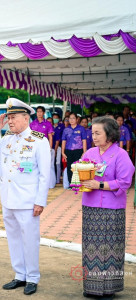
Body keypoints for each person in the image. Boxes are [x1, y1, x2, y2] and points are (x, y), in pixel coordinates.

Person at [0, 98, 50, 296]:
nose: (10, 121)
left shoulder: (39, 140)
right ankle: (19, 274)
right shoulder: (6, 139)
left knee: (30, 240)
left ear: (25, 118)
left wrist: (40, 201)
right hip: (9, 199)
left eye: (13, 118)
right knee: (13, 239)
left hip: (28, 201)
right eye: (9, 118)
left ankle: (32, 277)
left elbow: (44, 175)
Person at [81, 117, 134, 299]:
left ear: (109, 134)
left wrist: (100, 185)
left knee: (110, 247)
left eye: (97, 133)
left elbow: (125, 181)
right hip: (90, 206)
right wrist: (78, 180)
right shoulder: (89, 153)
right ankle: (91, 287)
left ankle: (109, 289)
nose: (93, 136)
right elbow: (80, 174)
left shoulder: (121, 155)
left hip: (112, 208)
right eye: (92, 133)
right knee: (91, 247)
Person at [30, 106, 55, 188]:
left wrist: (50, 148)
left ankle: (49, 184)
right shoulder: (32, 124)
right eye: (38, 112)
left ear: (44, 113)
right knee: (35, 166)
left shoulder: (48, 124)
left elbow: (50, 136)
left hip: (45, 149)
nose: (39, 113)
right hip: (34, 148)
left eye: (41, 111)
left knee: (46, 166)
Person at [61, 112, 87, 184]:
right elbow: (63, 141)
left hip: (78, 150)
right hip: (68, 151)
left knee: (78, 167)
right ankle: (71, 183)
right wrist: (62, 152)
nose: (71, 120)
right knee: (70, 167)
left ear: (77, 119)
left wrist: (84, 152)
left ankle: (78, 183)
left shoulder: (81, 129)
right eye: (70, 118)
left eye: (73, 118)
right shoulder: (66, 129)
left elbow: (84, 140)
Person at [52, 113, 65, 184]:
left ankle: (57, 179)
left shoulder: (61, 126)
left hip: (59, 146)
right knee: (51, 164)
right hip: (51, 147)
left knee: (58, 163)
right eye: (54, 118)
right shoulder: (51, 126)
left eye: (56, 118)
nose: (55, 119)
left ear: (59, 119)